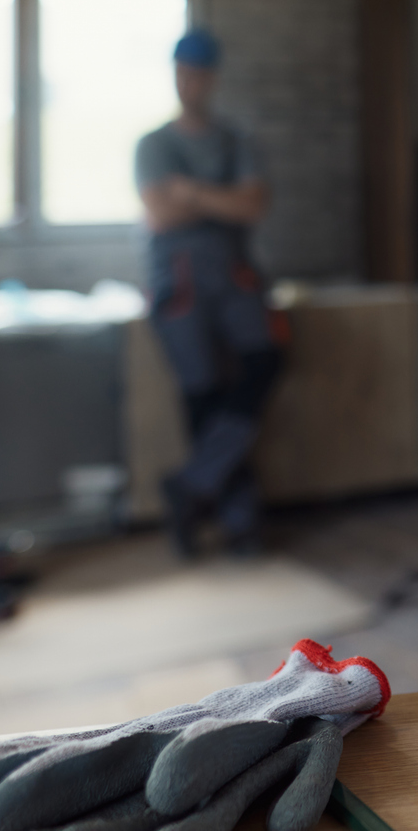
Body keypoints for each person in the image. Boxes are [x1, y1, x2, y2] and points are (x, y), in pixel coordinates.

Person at [137, 28, 285, 559]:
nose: (190, 82)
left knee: (265, 362)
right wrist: (220, 199)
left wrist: (191, 192)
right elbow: (159, 213)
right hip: (179, 283)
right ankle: (237, 520)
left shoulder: (235, 140)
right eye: (182, 72)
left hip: (237, 276)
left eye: (199, 72)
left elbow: (253, 207)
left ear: (213, 78)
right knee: (205, 395)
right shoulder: (154, 145)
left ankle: (193, 485)